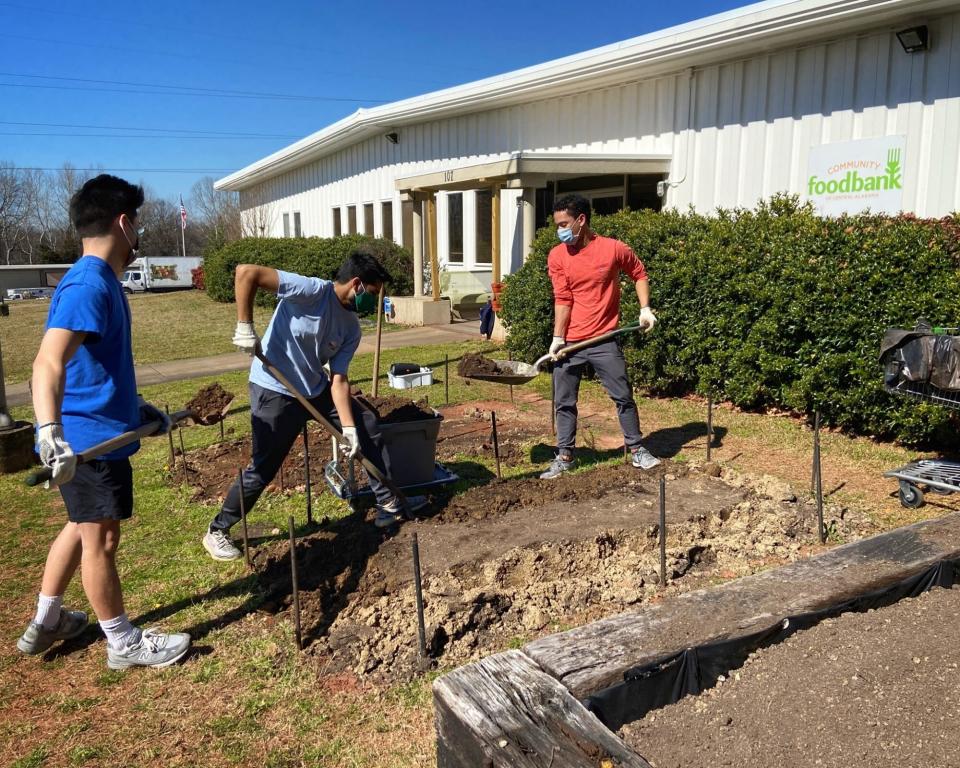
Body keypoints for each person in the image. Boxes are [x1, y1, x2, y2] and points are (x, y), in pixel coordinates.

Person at [18, 174, 191, 669]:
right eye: (135, 223)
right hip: (85, 442)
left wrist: (139, 413)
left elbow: (90, 367)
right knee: (102, 539)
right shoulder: (90, 283)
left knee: (79, 527)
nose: (137, 234)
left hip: (102, 430)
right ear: (123, 222)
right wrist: (51, 435)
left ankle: (47, 619)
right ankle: (123, 642)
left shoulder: (99, 282)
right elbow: (47, 363)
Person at [202, 252, 428, 561]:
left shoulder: (351, 327)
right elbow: (246, 272)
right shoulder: (310, 291)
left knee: (367, 426)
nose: (373, 302)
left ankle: (388, 505)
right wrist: (245, 325)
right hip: (274, 388)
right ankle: (218, 530)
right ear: (357, 284)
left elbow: (339, 380)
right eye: (373, 294)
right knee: (263, 468)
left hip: (314, 388)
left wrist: (348, 429)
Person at [540, 193, 659, 480]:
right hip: (571, 342)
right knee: (564, 401)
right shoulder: (557, 255)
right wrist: (558, 338)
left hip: (605, 339)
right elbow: (563, 299)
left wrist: (645, 308)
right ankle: (565, 456)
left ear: (581, 220)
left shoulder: (612, 249)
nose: (560, 231)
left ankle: (637, 449)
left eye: (564, 223)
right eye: (557, 225)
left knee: (623, 397)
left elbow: (638, 273)